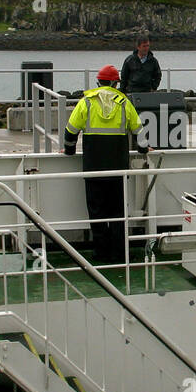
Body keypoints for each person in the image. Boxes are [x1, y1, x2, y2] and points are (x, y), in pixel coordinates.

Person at [63, 65, 145, 264]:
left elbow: (70, 131)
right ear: (116, 83)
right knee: (118, 212)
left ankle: (100, 253)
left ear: (98, 82)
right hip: (118, 168)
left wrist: (69, 150)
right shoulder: (124, 103)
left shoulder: (86, 103)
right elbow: (139, 131)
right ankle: (119, 253)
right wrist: (143, 150)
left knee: (97, 212)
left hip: (93, 168)